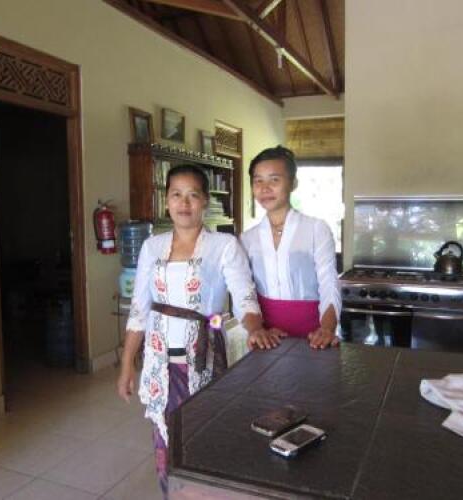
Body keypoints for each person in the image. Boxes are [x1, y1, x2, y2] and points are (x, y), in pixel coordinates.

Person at [117, 164, 277, 496]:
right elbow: (139, 310)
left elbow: (244, 296)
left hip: (203, 359)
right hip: (159, 362)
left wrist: (255, 327)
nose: (184, 203)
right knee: (165, 440)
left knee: (201, 437)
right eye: (176, 194)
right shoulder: (152, 247)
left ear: (205, 201)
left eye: (193, 195)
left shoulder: (223, 245)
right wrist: (127, 365)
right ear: (166, 201)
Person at [241, 146, 341, 349]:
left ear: (293, 183)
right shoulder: (247, 239)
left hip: (314, 336)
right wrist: (255, 330)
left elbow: (328, 282)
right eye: (258, 181)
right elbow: (244, 291)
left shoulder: (316, 229)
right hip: (267, 337)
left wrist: (327, 329)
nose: (265, 188)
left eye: (274, 180)